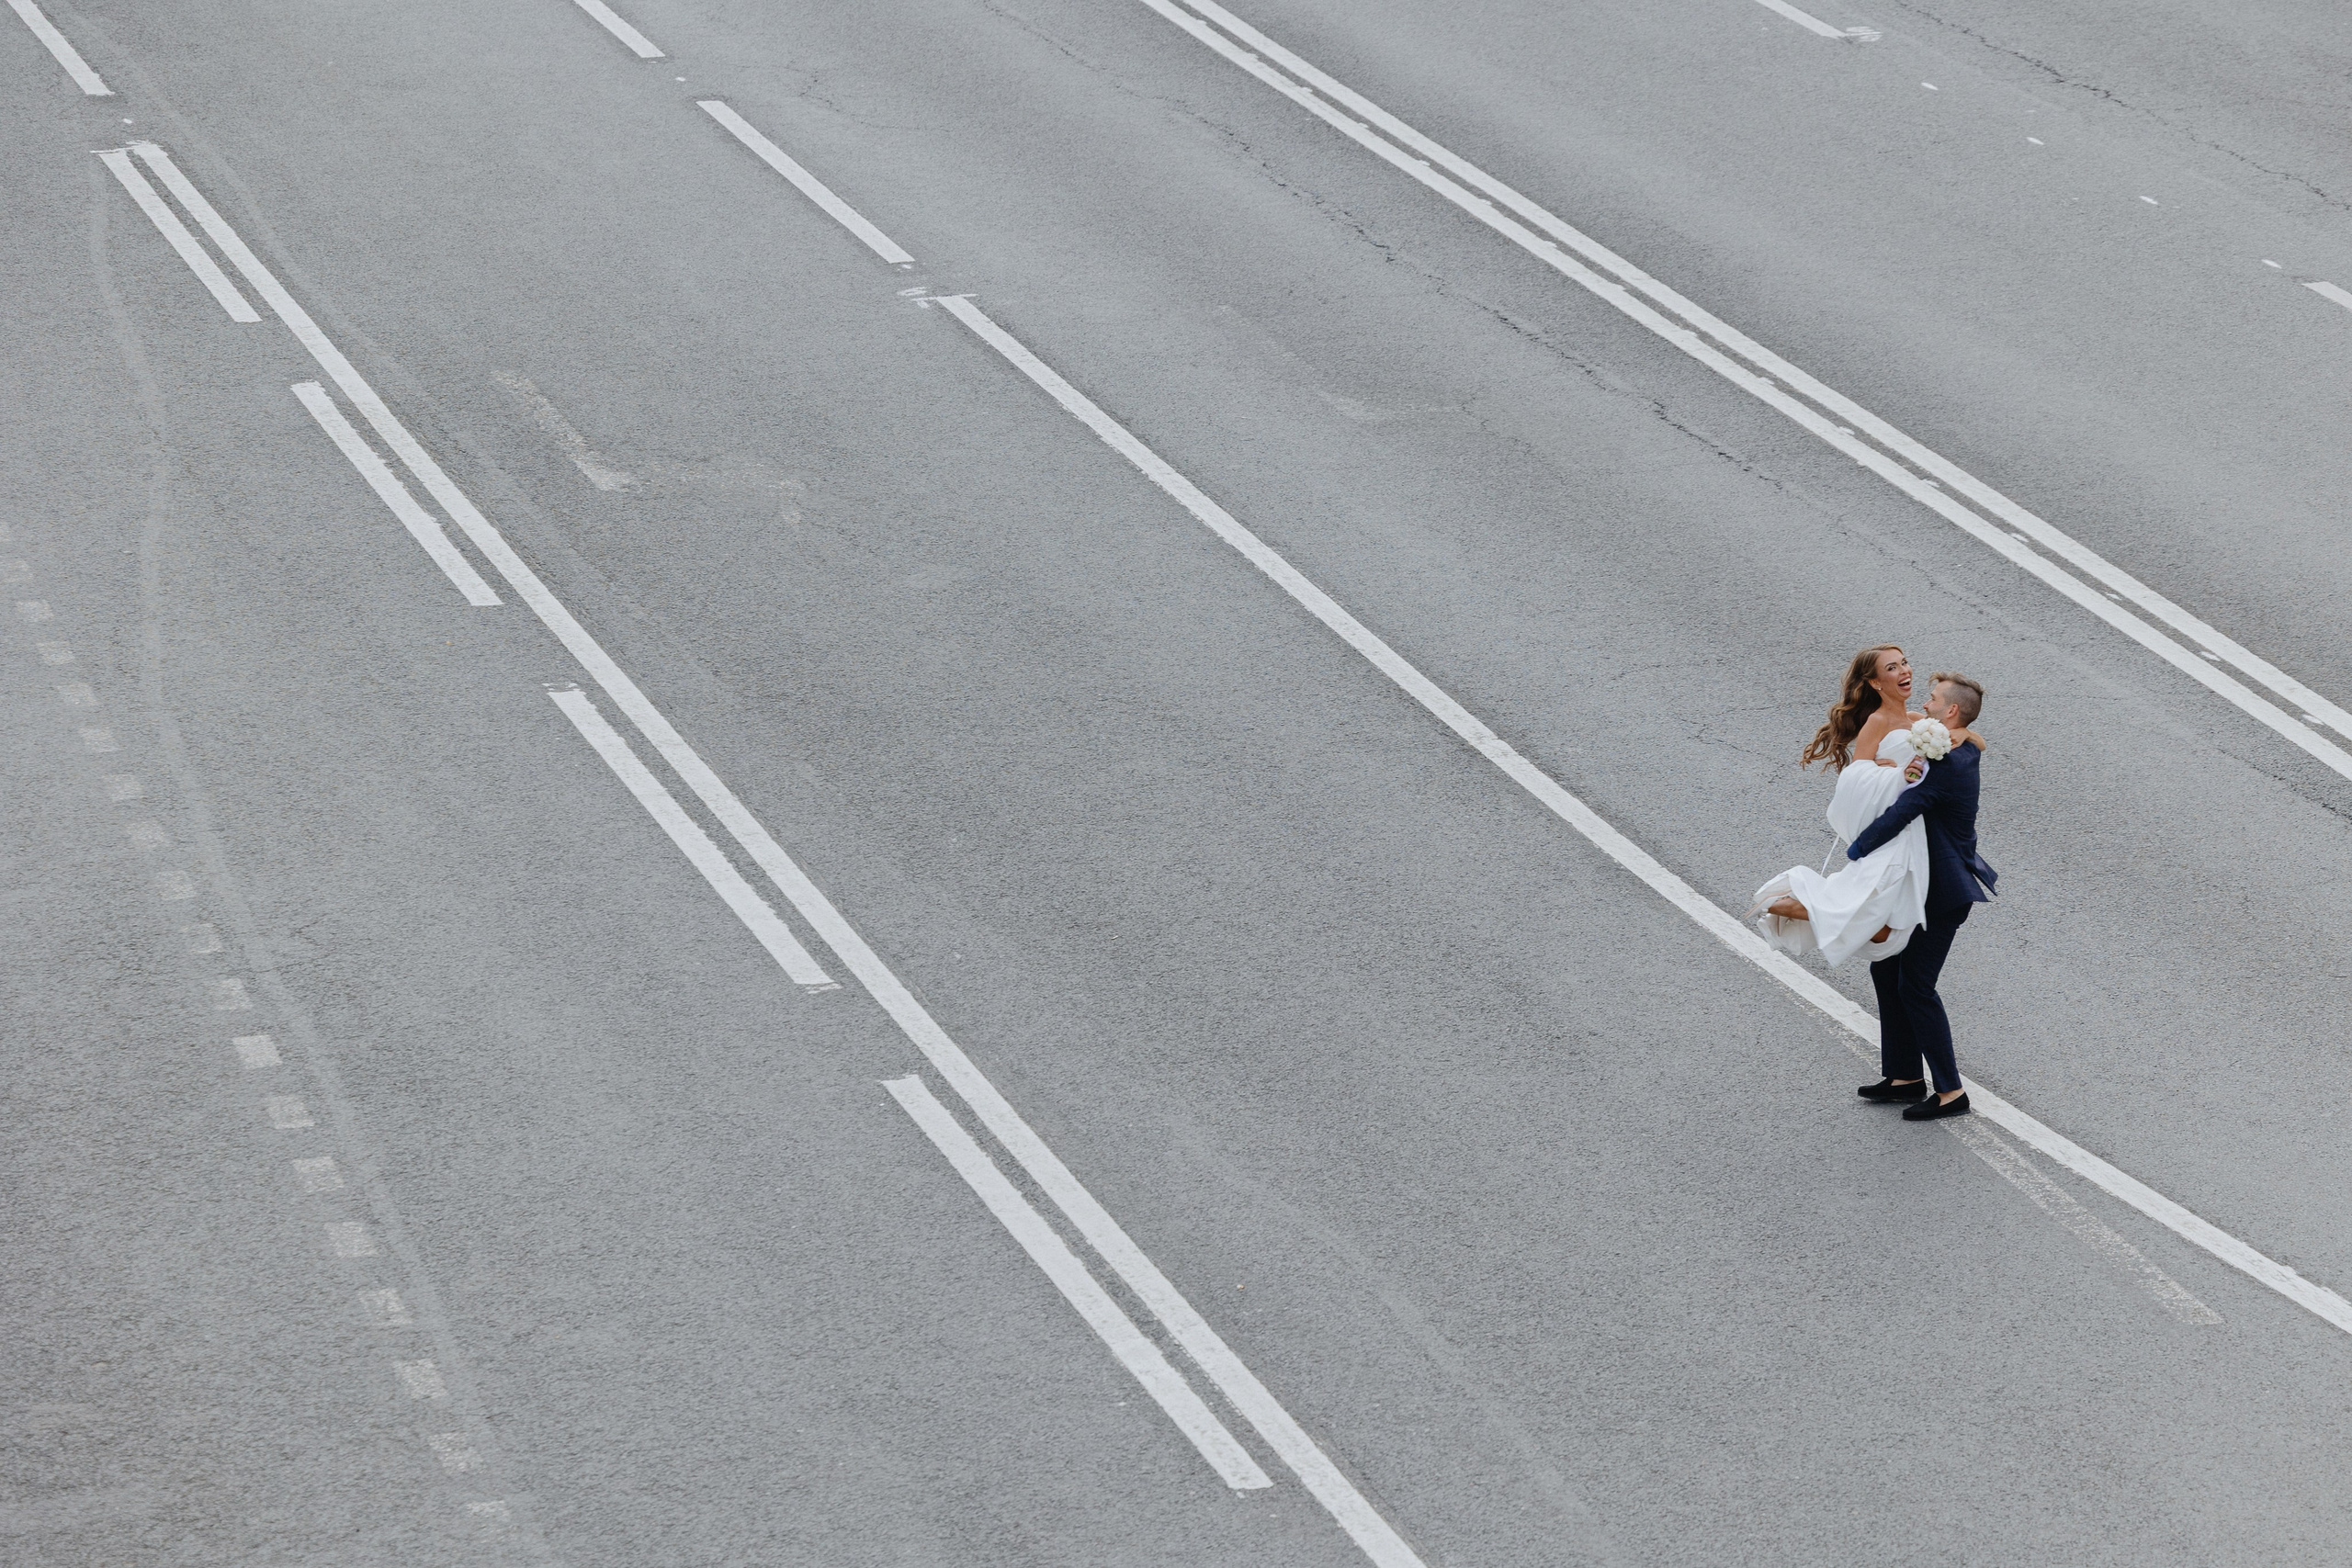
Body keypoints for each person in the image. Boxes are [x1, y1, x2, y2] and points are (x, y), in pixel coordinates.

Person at [1847, 673, 1997, 1121]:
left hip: (1943, 892)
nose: (1926, 703)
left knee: (1916, 986)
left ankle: (1951, 1092)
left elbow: (1905, 809)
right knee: (1886, 967)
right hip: (1921, 882)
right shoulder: (1961, 745)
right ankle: (1904, 1076)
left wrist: (1857, 851)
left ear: (1950, 711)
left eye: (1933, 699)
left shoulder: (1948, 762)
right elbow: (1971, 739)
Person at [1750, 646, 1932, 967]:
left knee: (1890, 925)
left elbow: (1960, 745)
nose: (1904, 671)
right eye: (1892, 668)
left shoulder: (1919, 722)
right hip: (1890, 827)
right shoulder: (1877, 721)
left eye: (1904, 663)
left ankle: (1806, 905)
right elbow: (1854, 779)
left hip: (1911, 827)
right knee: (1887, 923)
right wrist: (1886, 773)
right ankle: (1794, 904)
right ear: (1876, 683)